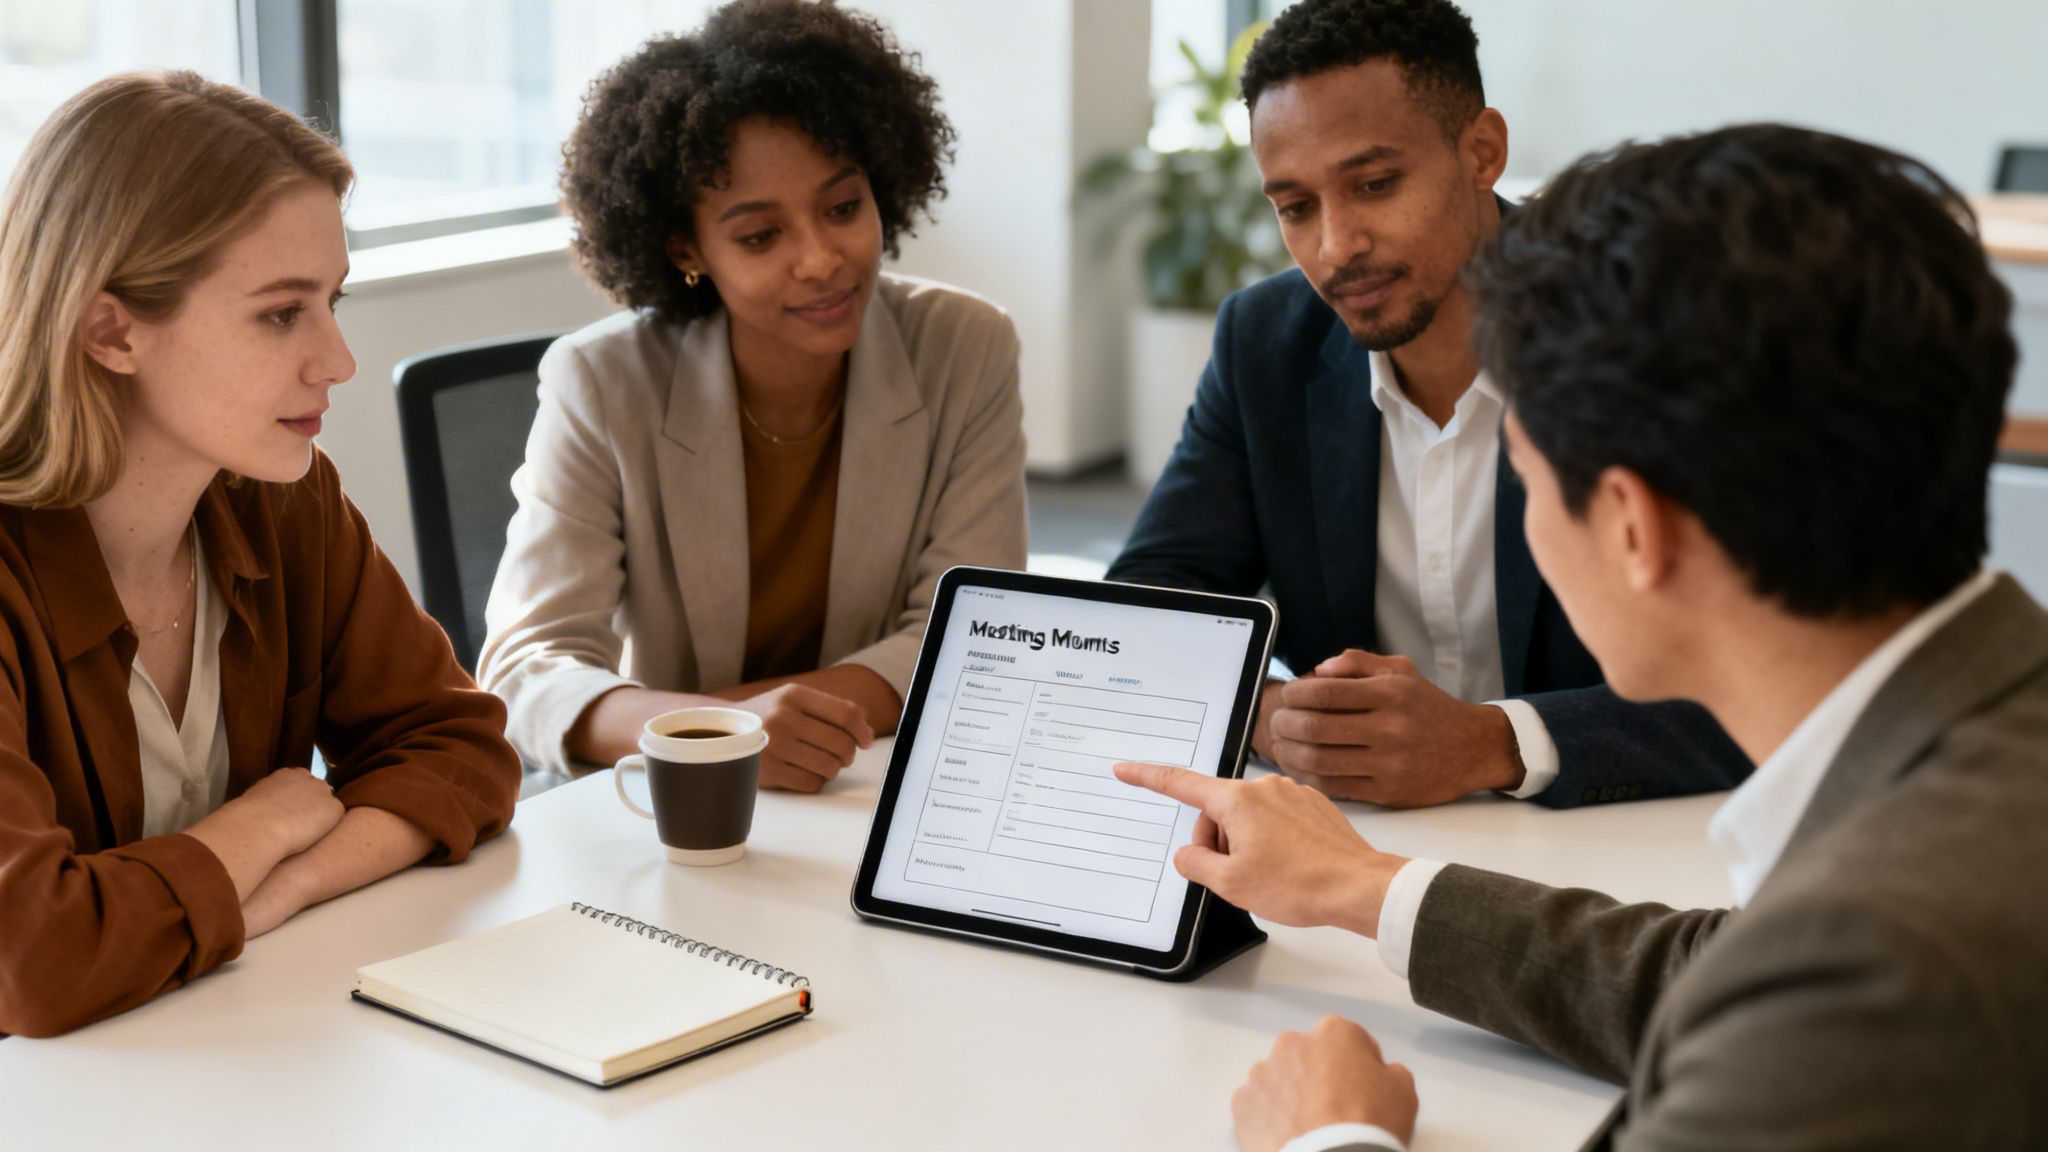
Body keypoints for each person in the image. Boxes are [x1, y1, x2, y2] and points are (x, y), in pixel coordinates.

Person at [1118, 124, 2048, 1150]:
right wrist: (1362, 885)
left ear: (1631, 526)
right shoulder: (1983, 742)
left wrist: (1331, 1140)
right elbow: (1731, 969)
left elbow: (1807, 998)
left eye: (1522, 472)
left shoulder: (1885, 961)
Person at [1106, 0, 1747, 809]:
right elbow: (1146, 607)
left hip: (1632, 836)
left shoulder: (1653, 328)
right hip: (1363, 841)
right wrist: (1272, 717)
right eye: (1296, 207)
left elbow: (1775, 665)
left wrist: (1494, 743)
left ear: (1483, 152)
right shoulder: (1266, 342)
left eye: (1375, 185)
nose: (1336, 246)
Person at [0, 73, 521, 1038]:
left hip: (229, 1045)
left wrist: (289, 884)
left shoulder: (282, 500)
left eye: (332, 300)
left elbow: (462, 749)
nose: (339, 361)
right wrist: (263, 824)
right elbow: (30, 960)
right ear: (111, 330)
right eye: (281, 314)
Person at [478, 0, 1026, 792]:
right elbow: (525, 671)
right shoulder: (601, 380)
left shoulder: (965, 347)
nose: (822, 259)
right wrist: (715, 734)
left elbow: (978, 634)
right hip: (675, 805)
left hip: (872, 783)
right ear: (687, 249)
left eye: (843, 208)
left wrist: (734, 724)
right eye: (760, 236)